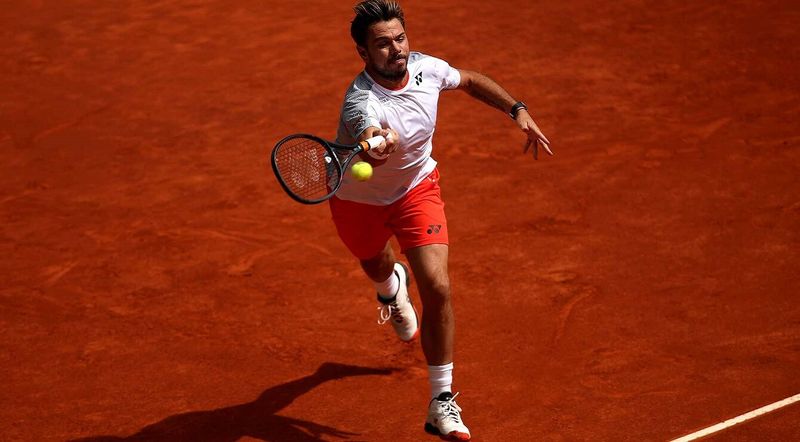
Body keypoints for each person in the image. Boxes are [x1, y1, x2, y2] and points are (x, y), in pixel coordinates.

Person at [330, 1, 552, 440]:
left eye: (400, 38)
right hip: (358, 199)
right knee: (374, 262)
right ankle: (391, 287)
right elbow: (369, 133)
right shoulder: (361, 101)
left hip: (417, 189)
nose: (396, 49)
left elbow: (468, 80)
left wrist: (517, 110)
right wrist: (379, 143)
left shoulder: (426, 68)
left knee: (438, 286)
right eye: (383, 44)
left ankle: (441, 401)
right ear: (363, 53)